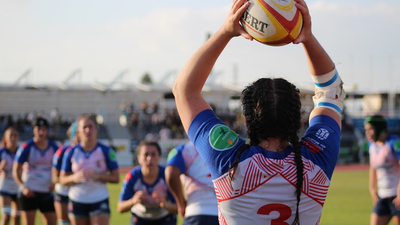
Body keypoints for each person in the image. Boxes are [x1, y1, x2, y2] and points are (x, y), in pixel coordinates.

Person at [172, 0, 345, 224]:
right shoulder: (318, 161)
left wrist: (225, 31)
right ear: (297, 120)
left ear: (248, 121)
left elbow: (184, 90)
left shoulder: (228, 162)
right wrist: (307, 38)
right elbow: (331, 91)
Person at [59, 114, 119, 225]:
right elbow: (62, 179)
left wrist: (99, 176)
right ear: (79, 131)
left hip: (99, 199)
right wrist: (74, 177)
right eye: (84, 127)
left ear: (96, 129)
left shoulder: (106, 151)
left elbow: (116, 178)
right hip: (77, 199)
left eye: (91, 126)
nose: (88, 130)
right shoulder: (71, 152)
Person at [117, 141, 177, 225]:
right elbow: (120, 207)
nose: (149, 159)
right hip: (140, 218)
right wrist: (133, 201)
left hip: (165, 218)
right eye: (146, 155)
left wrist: (165, 204)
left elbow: (179, 208)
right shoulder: (132, 176)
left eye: (153, 154)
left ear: (159, 157)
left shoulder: (167, 175)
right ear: (139, 158)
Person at [12, 117, 58, 225]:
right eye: (38, 129)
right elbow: (16, 170)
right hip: (30, 191)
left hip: (47, 192)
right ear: (33, 130)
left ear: (47, 130)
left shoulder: (54, 147)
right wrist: (23, 187)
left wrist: (55, 182)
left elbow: (60, 170)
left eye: (44, 129)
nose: (41, 132)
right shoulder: (26, 147)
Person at [165, 141, 219, 225]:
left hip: (196, 212)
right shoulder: (229, 144)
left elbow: (171, 174)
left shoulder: (184, 149)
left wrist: (181, 204)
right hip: (226, 214)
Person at [365, 115, 400, 225]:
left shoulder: (394, 142)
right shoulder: (372, 145)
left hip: (397, 196)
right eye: (366, 130)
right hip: (382, 197)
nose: (368, 133)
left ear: (379, 128)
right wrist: (372, 188)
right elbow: (373, 167)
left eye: (370, 129)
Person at [52, 121, 78, 225]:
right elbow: (55, 178)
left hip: (81, 195)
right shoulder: (62, 152)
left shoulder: (90, 152)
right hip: (63, 193)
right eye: (77, 134)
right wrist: (70, 180)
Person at [0, 127, 21, 225]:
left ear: (18, 138)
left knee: (17, 218)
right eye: (10, 136)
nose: (13, 138)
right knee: (6, 217)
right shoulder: (2, 152)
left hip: (18, 187)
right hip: (5, 186)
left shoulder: (22, 152)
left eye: (15, 135)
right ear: (6, 138)